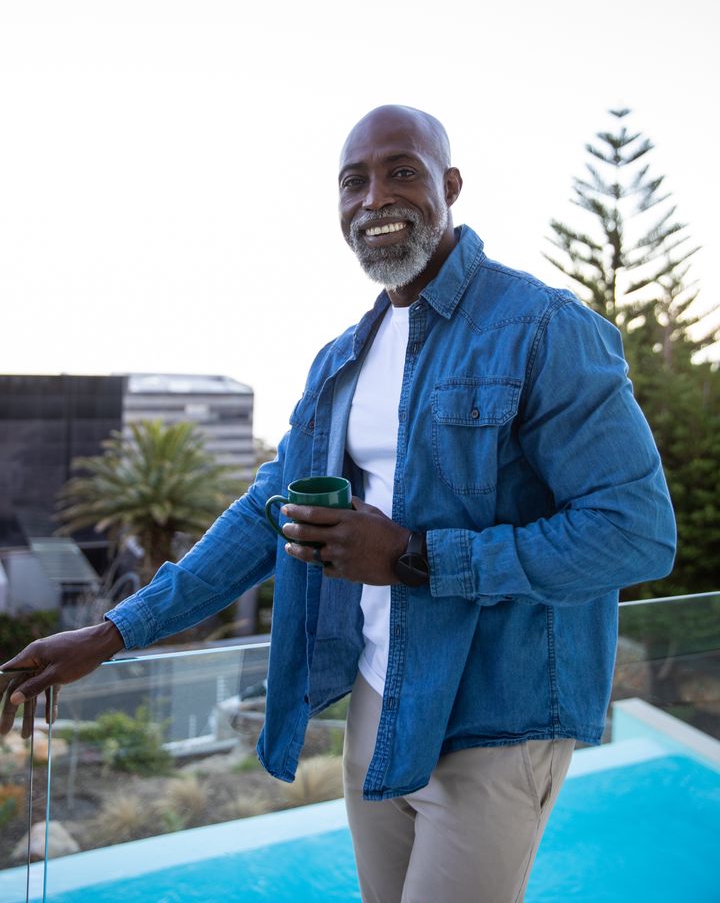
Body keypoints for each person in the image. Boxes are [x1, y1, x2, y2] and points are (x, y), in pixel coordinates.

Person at [1, 105, 676, 902]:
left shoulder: (544, 328)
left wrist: (414, 556)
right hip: (380, 706)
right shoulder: (341, 362)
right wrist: (114, 631)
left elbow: (635, 534)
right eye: (353, 181)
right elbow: (265, 515)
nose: (374, 198)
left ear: (450, 186)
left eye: (402, 172)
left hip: (498, 718)